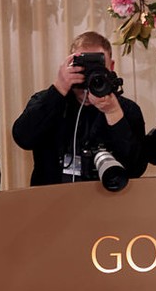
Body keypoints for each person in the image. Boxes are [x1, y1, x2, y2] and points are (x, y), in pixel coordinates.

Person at [12, 30, 146, 186]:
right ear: (69, 65)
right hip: (52, 201)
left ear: (111, 66)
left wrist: (113, 113)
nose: (89, 72)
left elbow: (136, 168)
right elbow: (23, 138)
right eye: (83, 65)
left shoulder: (126, 109)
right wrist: (59, 88)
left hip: (107, 203)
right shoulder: (49, 101)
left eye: (97, 64)